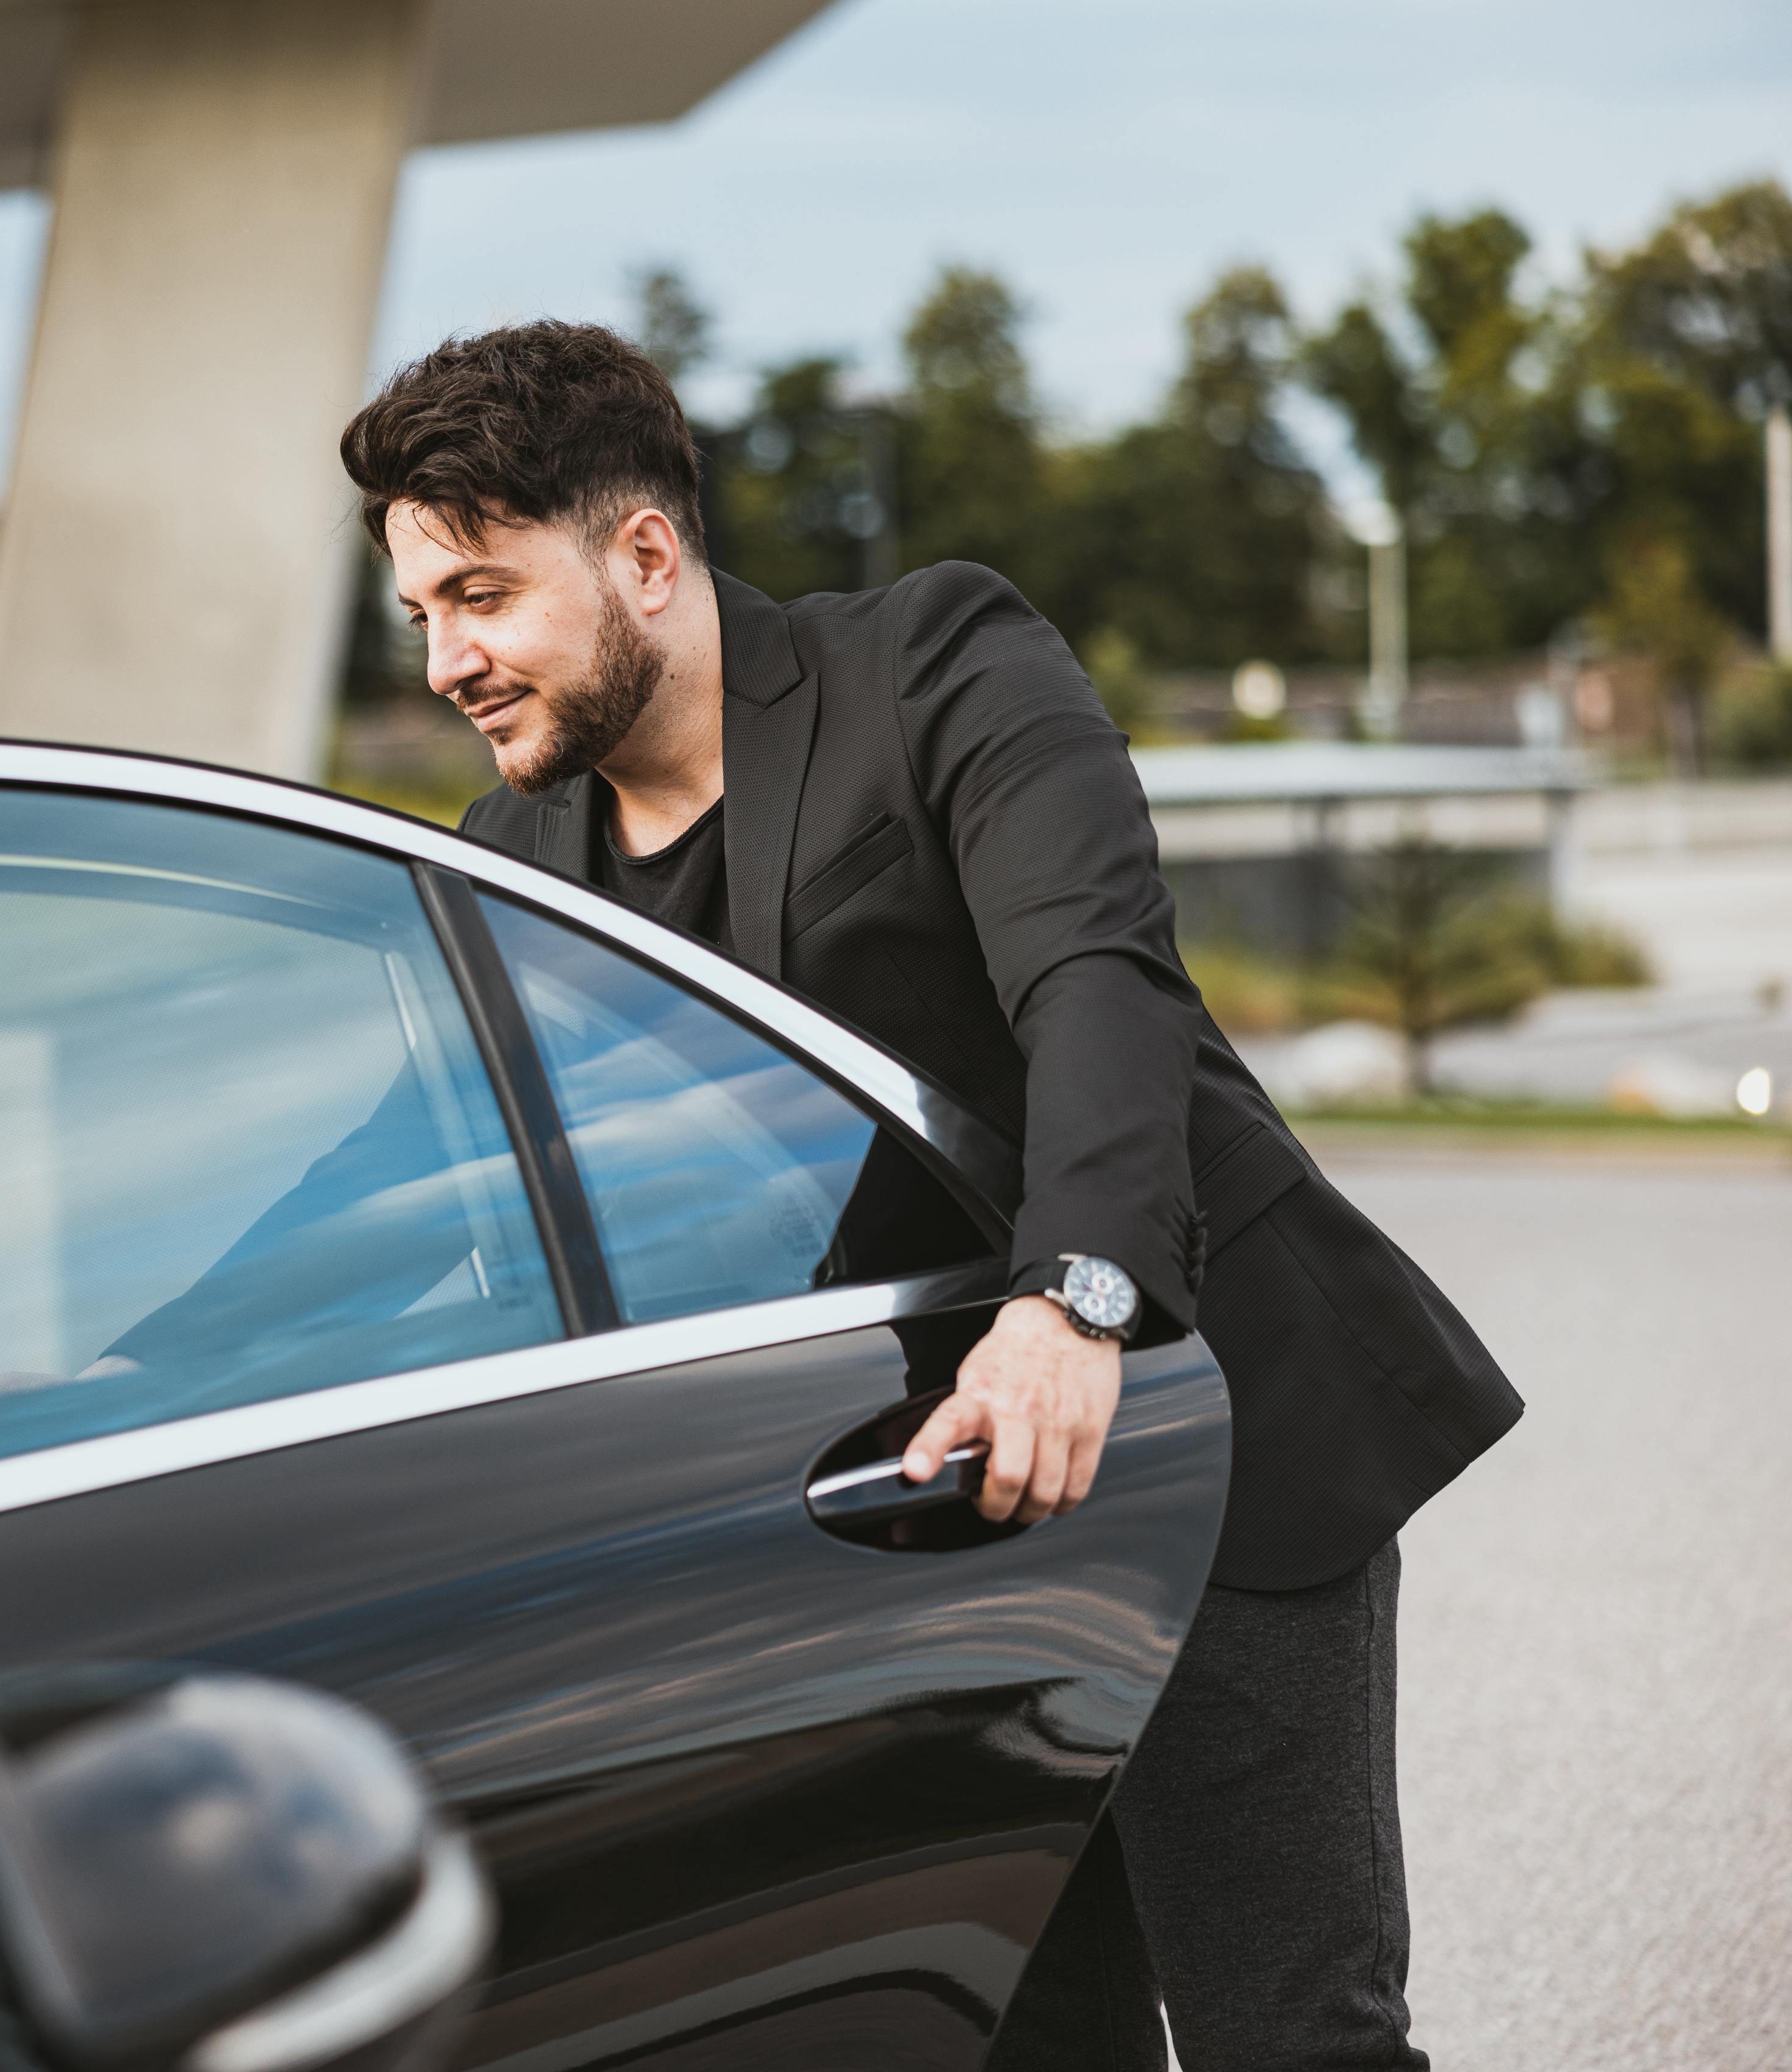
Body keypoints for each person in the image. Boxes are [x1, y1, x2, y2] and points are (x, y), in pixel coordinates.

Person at [335, 320, 1520, 2070]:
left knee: (1299, 2043)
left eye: (485, 597)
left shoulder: (939, 659)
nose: (446, 658)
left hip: (1198, 1429)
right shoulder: (514, 872)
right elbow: (385, 1180)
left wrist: (1077, 1299)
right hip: (902, 1527)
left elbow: (1096, 984)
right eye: (423, 614)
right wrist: (116, 1376)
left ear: (645, 556)